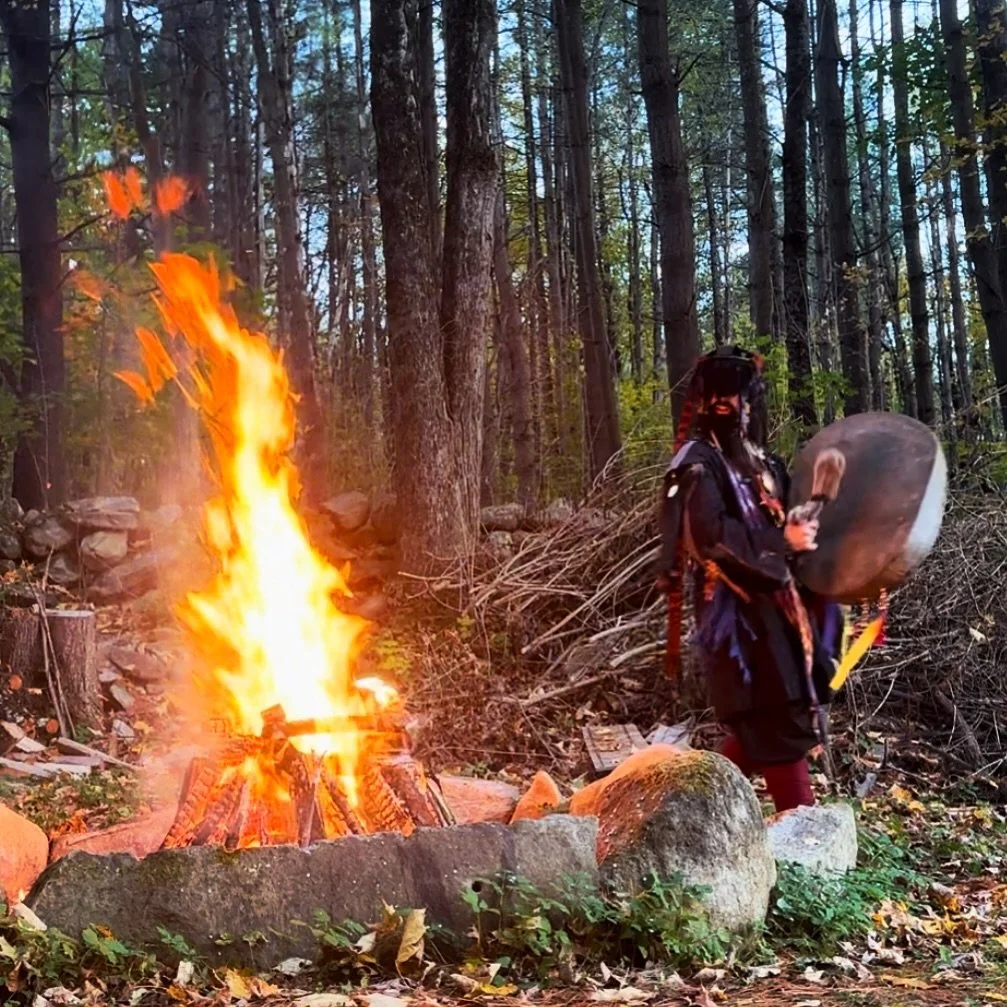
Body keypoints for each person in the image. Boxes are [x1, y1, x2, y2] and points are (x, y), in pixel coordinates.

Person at [656, 346, 843, 813]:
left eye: (735, 396)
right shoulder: (694, 462)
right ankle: (805, 841)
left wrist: (804, 523)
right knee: (772, 720)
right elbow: (711, 535)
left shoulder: (766, 463)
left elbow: (785, 527)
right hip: (736, 617)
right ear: (703, 402)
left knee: (762, 726)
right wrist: (783, 540)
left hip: (782, 610)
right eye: (717, 396)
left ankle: (687, 819)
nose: (727, 406)